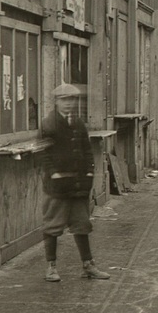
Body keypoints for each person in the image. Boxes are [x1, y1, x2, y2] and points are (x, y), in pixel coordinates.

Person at [39, 83, 110, 283]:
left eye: (72, 100)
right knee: (52, 225)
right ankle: (51, 267)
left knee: (82, 225)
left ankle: (88, 265)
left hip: (78, 185)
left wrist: (89, 171)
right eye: (65, 100)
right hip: (58, 187)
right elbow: (44, 153)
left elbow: (87, 150)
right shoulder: (49, 124)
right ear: (57, 102)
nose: (69, 104)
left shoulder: (78, 123)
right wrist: (53, 173)